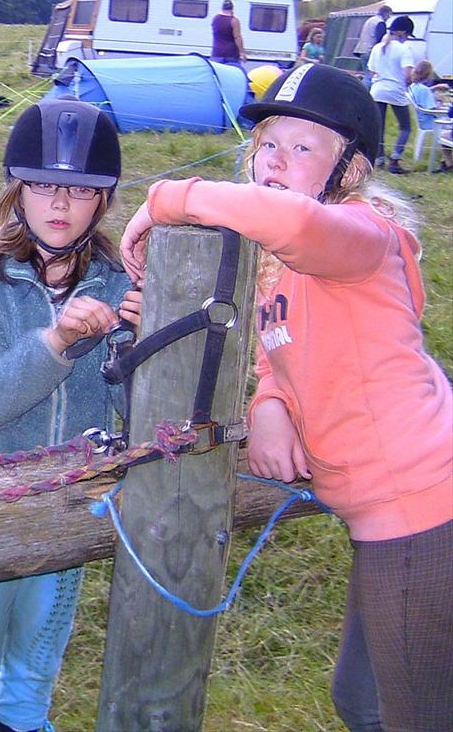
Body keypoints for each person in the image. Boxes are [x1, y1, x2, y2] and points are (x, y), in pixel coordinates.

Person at [119, 64, 453, 732]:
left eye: (303, 147)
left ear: (349, 171)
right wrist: (268, 404)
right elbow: (284, 353)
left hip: (418, 502)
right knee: (363, 701)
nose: (275, 159)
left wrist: (161, 200)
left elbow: (295, 221)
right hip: (388, 508)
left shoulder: (357, 233)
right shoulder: (288, 267)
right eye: (268, 142)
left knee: (412, 714)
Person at [0, 100, 141, 732]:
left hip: (72, 504)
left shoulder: (122, 285)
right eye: (44, 186)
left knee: (32, 673)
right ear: (17, 191)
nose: (61, 203)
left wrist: (140, 346)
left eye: (81, 190)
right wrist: (54, 343)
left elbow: (138, 417)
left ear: (103, 201)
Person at [368, 15, 416, 173]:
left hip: (378, 90)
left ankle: (379, 159)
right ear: (403, 33)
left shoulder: (377, 47)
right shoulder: (404, 49)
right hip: (395, 90)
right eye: (407, 35)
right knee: (406, 127)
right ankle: (395, 160)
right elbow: (407, 75)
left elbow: (372, 71)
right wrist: (409, 83)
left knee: (379, 127)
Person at [408, 59, 446, 172]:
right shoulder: (425, 91)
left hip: (421, 120)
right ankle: (448, 158)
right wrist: (440, 103)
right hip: (430, 122)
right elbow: (433, 109)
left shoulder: (413, 87)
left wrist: (434, 88)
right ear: (429, 74)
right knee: (449, 124)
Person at [354, 5, 391, 86]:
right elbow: (380, 40)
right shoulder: (380, 22)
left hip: (361, 50)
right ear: (385, 13)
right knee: (370, 76)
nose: (389, 17)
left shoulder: (370, 20)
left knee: (366, 74)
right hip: (370, 50)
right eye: (389, 15)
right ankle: (365, 92)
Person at [210, 0, 246, 69]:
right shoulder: (234, 21)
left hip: (217, 53)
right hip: (231, 54)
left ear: (222, 8)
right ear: (232, 9)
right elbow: (237, 37)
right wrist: (242, 52)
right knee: (233, 73)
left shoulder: (215, 18)